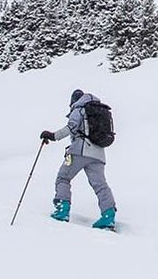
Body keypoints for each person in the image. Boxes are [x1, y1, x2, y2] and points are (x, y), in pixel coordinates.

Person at [41, 89, 116, 229]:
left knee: (63, 177)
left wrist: (53, 136)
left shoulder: (80, 108)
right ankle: (108, 215)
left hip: (80, 150)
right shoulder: (98, 109)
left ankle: (62, 210)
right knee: (100, 185)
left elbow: (72, 127)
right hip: (99, 154)